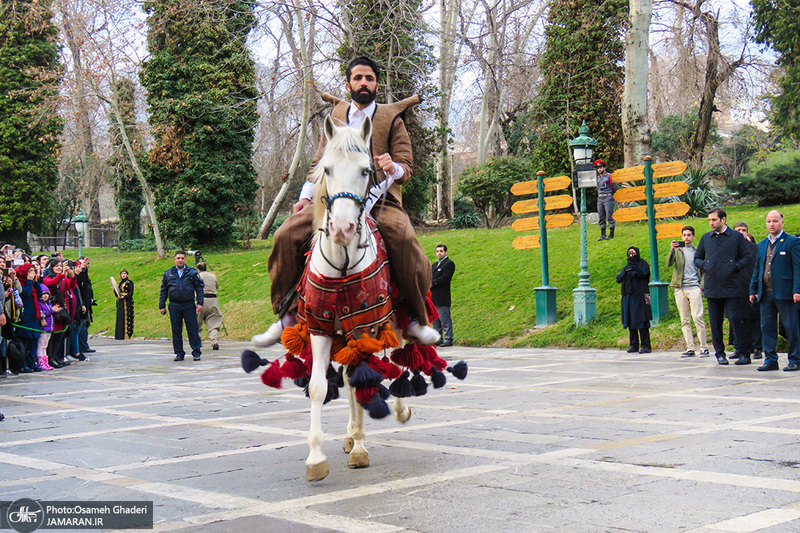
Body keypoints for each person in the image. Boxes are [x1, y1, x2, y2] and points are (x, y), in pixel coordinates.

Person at [257, 56, 438, 347]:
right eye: (358, 78)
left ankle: (416, 320)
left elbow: (407, 166)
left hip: (380, 201)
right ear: (349, 83)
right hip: (331, 200)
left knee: (405, 240)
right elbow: (318, 163)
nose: (363, 83)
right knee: (285, 235)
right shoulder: (336, 116)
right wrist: (304, 198)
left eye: (369, 78)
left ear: (377, 83)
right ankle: (286, 315)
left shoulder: (391, 119)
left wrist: (394, 167)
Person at [694, 208, 753, 365]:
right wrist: (706, 265)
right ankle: (720, 353)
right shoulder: (706, 238)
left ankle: (744, 352)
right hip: (712, 287)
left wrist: (734, 266)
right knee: (715, 322)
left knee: (736, 319)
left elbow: (746, 257)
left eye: (714, 220)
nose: (711, 223)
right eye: (709, 220)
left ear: (723, 220)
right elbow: (697, 258)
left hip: (732, 285)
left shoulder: (735, 237)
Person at [749, 210, 800, 372]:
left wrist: (797, 290)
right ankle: (770, 359)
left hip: (786, 293)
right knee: (767, 327)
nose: (771, 224)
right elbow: (757, 268)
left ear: (782, 223)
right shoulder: (762, 244)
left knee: (791, 327)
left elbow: (798, 268)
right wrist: (753, 289)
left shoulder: (792, 242)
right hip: (766, 294)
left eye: (775, 221)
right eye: (769, 221)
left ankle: (795, 359)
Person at [667, 226, 709, 357]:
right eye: (684, 235)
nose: (686, 237)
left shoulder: (698, 251)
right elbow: (668, 263)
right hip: (680, 288)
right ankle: (690, 347)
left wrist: (701, 286)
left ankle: (704, 347)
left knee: (697, 317)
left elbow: (704, 270)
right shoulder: (678, 250)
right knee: (684, 319)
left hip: (694, 287)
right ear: (681, 237)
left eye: (689, 235)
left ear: (693, 237)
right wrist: (672, 250)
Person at [159, 251, 204, 361]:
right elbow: (163, 290)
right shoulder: (168, 273)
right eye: (178, 258)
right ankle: (179, 352)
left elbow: (199, 288)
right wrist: (162, 305)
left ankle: (196, 351)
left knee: (192, 329)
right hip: (174, 305)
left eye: (182, 258)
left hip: (188, 304)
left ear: (185, 260)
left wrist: (200, 303)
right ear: (174, 260)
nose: (180, 260)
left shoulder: (192, 272)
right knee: (176, 330)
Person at [730, 222, 761, 362]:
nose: (741, 232)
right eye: (738, 230)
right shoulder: (730, 249)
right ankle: (739, 347)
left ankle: (757, 347)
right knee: (736, 318)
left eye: (744, 230)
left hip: (751, 287)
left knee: (754, 318)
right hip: (735, 288)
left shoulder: (755, 248)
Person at [616, 246, 652, 353]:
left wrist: (635, 266)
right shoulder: (627, 266)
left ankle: (646, 345)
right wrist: (626, 270)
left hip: (640, 296)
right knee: (631, 320)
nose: (631, 255)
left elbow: (643, 274)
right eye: (629, 253)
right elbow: (618, 279)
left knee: (642, 320)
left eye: (633, 253)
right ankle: (633, 344)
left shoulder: (643, 263)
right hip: (629, 296)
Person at [431, 244, 455, 347]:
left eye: (441, 251)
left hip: (442, 296)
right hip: (433, 297)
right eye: (437, 251)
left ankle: (449, 338)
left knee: (444, 318)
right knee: (435, 320)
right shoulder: (434, 265)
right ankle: (438, 338)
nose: (439, 253)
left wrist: (433, 283)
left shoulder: (449, 264)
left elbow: (445, 278)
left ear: (446, 252)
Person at [196, 262, 222, 351]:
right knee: (214, 322)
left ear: (198, 269)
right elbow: (217, 286)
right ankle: (214, 341)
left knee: (196, 323)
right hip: (213, 300)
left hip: (200, 300)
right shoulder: (213, 276)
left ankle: (198, 341)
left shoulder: (197, 276)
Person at [595, 160, 616, 241]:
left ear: (604, 168)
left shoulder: (609, 176)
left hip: (608, 197)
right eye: (598, 168)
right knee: (601, 216)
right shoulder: (597, 178)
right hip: (600, 198)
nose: (599, 170)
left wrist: (612, 196)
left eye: (600, 168)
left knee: (609, 216)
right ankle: (603, 234)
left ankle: (611, 233)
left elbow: (615, 187)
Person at [115, 269, 134, 340]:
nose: (123, 275)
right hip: (120, 302)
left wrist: (125, 296)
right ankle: (119, 335)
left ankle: (127, 334)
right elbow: (118, 293)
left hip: (127, 302)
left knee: (126, 317)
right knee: (120, 318)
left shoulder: (129, 282)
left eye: (125, 274)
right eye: (122, 274)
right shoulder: (119, 283)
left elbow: (131, 293)